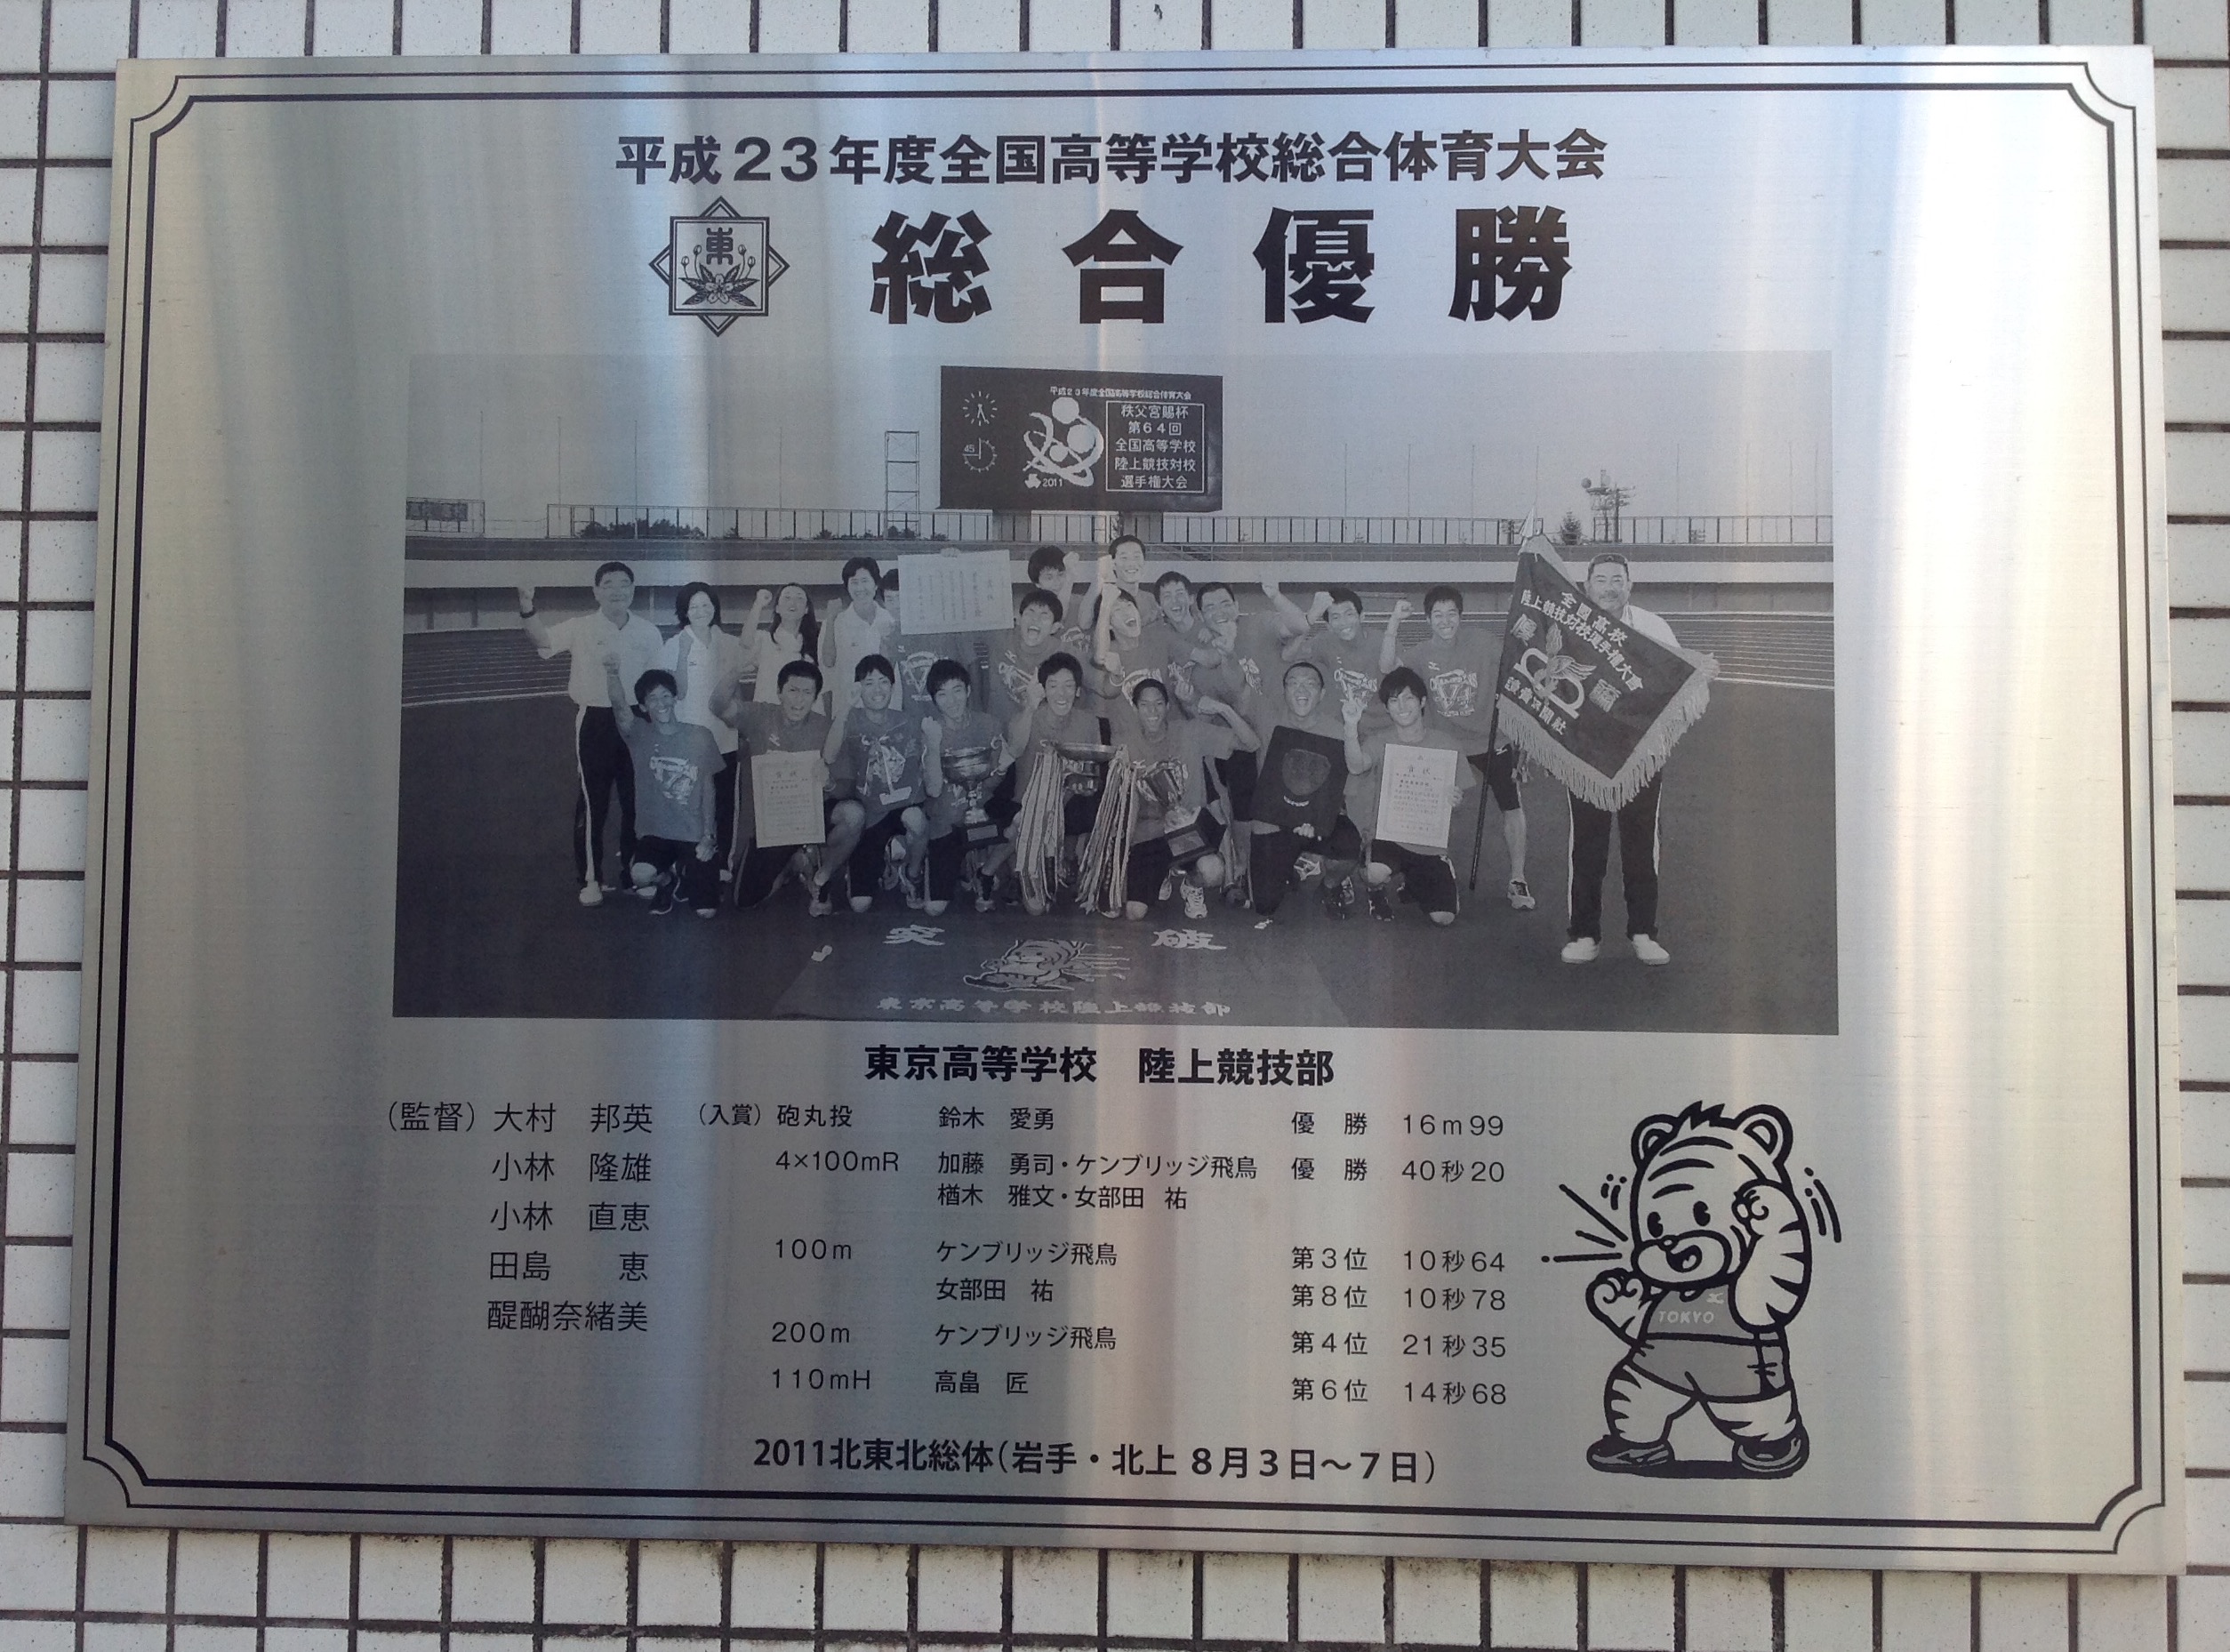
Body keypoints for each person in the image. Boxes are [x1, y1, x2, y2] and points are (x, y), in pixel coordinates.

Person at [518, 564, 667, 906]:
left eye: (625, 584)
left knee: (638, 802)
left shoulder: (648, 632)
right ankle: (590, 878)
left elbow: (658, 683)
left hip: (638, 720)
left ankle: (634, 874)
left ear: (633, 590)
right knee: (592, 802)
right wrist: (527, 607)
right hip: (595, 722)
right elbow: (542, 640)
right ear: (596, 591)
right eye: (609, 584)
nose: (617, 590)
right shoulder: (580, 627)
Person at [1560, 551, 1681, 966]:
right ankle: (1584, 933)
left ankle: (1644, 932)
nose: (1609, 587)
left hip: (1640, 756)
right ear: (1587, 586)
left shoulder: (1653, 627)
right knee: (1586, 847)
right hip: (1587, 755)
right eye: (1601, 579)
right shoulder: (1570, 627)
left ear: (1630, 585)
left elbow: (1675, 682)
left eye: (1617, 580)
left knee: (1641, 845)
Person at [1387, 583, 1534, 910]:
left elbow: (1517, 668)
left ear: (1461, 616)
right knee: (1428, 808)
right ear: (1428, 619)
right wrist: (1393, 623)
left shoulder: (1484, 642)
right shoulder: (1419, 654)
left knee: (1511, 806)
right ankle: (1420, 872)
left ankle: (1518, 878)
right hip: (1446, 743)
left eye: (1451, 614)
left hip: (1491, 739)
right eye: (1438, 615)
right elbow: (1388, 669)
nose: (1445, 621)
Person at [1113, 678, 1258, 922]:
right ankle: (1162, 874)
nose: (1153, 711)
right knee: (1134, 913)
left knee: (1213, 872)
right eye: (1145, 705)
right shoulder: (1124, 744)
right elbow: (1119, 804)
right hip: (1148, 833)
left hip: (1189, 832)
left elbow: (1251, 743)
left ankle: (1191, 885)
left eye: (1159, 704)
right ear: (1135, 709)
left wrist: (1223, 709)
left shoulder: (1190, 732)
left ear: (1168, 707)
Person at [1342, 667, 1476, 926]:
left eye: (1408, 698)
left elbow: (1461, 798)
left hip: (1428, 840)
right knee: (1374, 872)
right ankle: (1376, 889)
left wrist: (1456, 800)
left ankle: (1419, 879)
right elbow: (1356, 766)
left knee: (1444, 918)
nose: (1402, 707)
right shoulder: (1380, 741)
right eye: (1394, 701)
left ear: (1422, 702)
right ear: (1387, 708)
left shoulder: (1446, 744)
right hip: (1388, 835)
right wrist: (1350, 726)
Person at [726, 660, 853, 912]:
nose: (799, 699)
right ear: (779, 691)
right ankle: (793, 866)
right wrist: (734, 672)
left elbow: (846, 788)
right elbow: (718, 705)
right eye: (793, 690)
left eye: (807, 692)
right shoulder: (760, 716)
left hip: (810, 820)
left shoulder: (826, 728)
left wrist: (829, 783)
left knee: (854, 814)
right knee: (744, 900)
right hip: (772, 826)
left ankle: (821, 874)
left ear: (815, 697)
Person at [603, 666, 721, 918]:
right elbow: (619, 707)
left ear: (675, 698)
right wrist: (612, 674)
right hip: (656, 834)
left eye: (666, 695)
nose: (661, 704)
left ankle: (686, 872)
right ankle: (667, 881)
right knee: (640, 875)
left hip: (693, 833)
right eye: (653, 698)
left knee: (706, 912)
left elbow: (708, 790)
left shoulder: (700, 736)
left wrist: (708, 836)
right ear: (643, 706)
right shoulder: (639, 735)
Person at [1249, 660, 1362, 919]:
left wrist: (1319, 820)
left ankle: (1330, 885)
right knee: (1265, 905)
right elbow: (1237, 691)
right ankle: (1289, 867)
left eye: (1310, 684)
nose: (1301, 690)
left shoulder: (1338, 732)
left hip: (1317, 819)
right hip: (1273, 820)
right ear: (1284, 691)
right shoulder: (1268, 721)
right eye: (1293, 683)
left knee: (1349, 846)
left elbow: (1344, 789)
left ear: (1322, 694)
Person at [1007, 651, 1113, 916]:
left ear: (1078, 691)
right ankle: (1025, 868)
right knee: (1035, 909)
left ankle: (1071, 858)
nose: (1061, 694)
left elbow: (1093, 770)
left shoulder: (1089, 722)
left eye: (1068, 686)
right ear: (1043, 690)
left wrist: (1080, 783)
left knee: (1096, 805)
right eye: (1053, 686)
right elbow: (1015, 749)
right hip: (1030, 807)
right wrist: (1029, 707)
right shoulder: (1027, 718)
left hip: (1069, 799)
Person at [823, 654, 930, 913]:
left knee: (917, 819)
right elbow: (829, 755)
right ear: (859, 688)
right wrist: (846, 708)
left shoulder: (908, 721)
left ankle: (912, 873)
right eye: (868, 683)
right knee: (860, 905)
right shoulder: (850, 719)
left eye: (883, 682)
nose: (877, 690)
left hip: (903, 806)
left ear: (893, 687)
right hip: (869, 813)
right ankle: (882, 857)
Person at [662, 581, 750, 872]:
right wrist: (684, 653)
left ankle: (724, 862)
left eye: (706, 605)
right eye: (694, 607)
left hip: (725, 737)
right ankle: (688, 862)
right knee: (689, 801)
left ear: (715, 608)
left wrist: (740, 726)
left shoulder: (730, 643)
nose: (700, 611)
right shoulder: (675, 644)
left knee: (726, 801)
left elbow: (736, 690)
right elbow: (677, 693)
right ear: (684, 612)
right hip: (689, 741)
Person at [920, 660, 1015, 916]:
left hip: (981, 813)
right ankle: (959, 865)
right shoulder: (930, 730)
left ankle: (986, 872)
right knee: (934, 909)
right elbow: (933, 790)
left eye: (957, 690)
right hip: (948, 823)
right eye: (942, 694)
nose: (952, 701)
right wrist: (933, 744)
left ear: (969, 691)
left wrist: (1001, 770)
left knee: (1022, 821)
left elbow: (993, 781)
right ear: (934, 699)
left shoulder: (989, 724)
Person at [1290, 586, 1388, 733]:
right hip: (1339, 729)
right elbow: (1289, 658)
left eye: (1349, 614)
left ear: (1362, 616)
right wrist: (1311, 616)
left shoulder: (1383, 643)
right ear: (1328, 625)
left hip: (1381, 728)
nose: (1343, 622)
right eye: (1336, 617)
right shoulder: (1322, 643)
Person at [822, 556, 899, 718]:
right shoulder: (836, 622)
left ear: (876, 584)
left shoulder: (891, 619)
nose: (860, 588)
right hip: (849, 710)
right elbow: (828, 663)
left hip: (889, 710)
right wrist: (830, 619)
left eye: (865, 581)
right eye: (854, 582)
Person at [747, 583, 821, 705]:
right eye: (787, 597)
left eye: (799, 598)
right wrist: (758, 605)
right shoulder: (764, 639)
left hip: (806, 713)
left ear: (806, 609)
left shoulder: (815, 643)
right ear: (777, 608)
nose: (793, 603)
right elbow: (745, 646)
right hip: (769, 712)